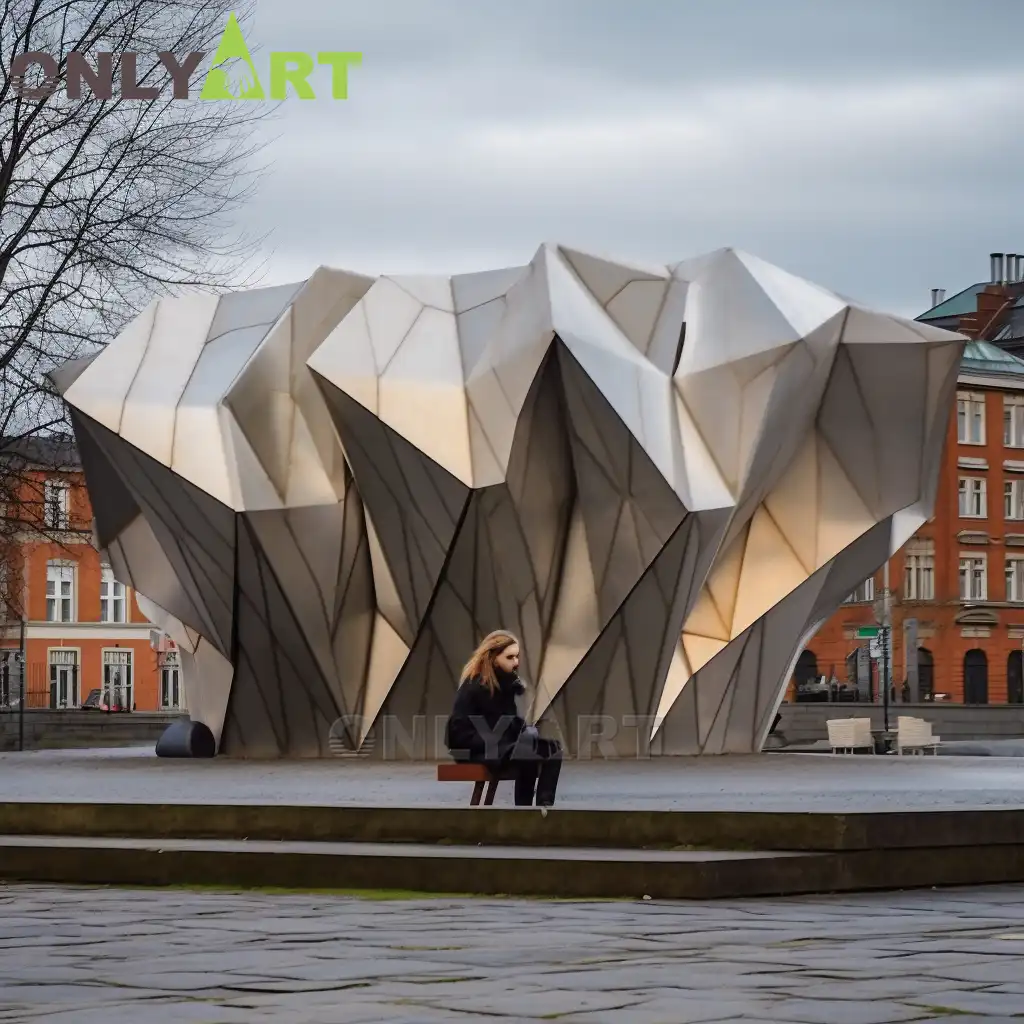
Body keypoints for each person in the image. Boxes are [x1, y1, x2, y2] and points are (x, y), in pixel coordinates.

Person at [444, 630, 562, 807]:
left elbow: (507, 722)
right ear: (493, 658)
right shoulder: (474, 686)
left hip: (502, 746)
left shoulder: (505, 684)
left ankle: (544, 806)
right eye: (510, 657)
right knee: (525, 751)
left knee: (552, 750)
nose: (516, 662)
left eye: (517, 657)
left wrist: (523, 731)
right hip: (475, 751)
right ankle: (524, 809)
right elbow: (457, 733)